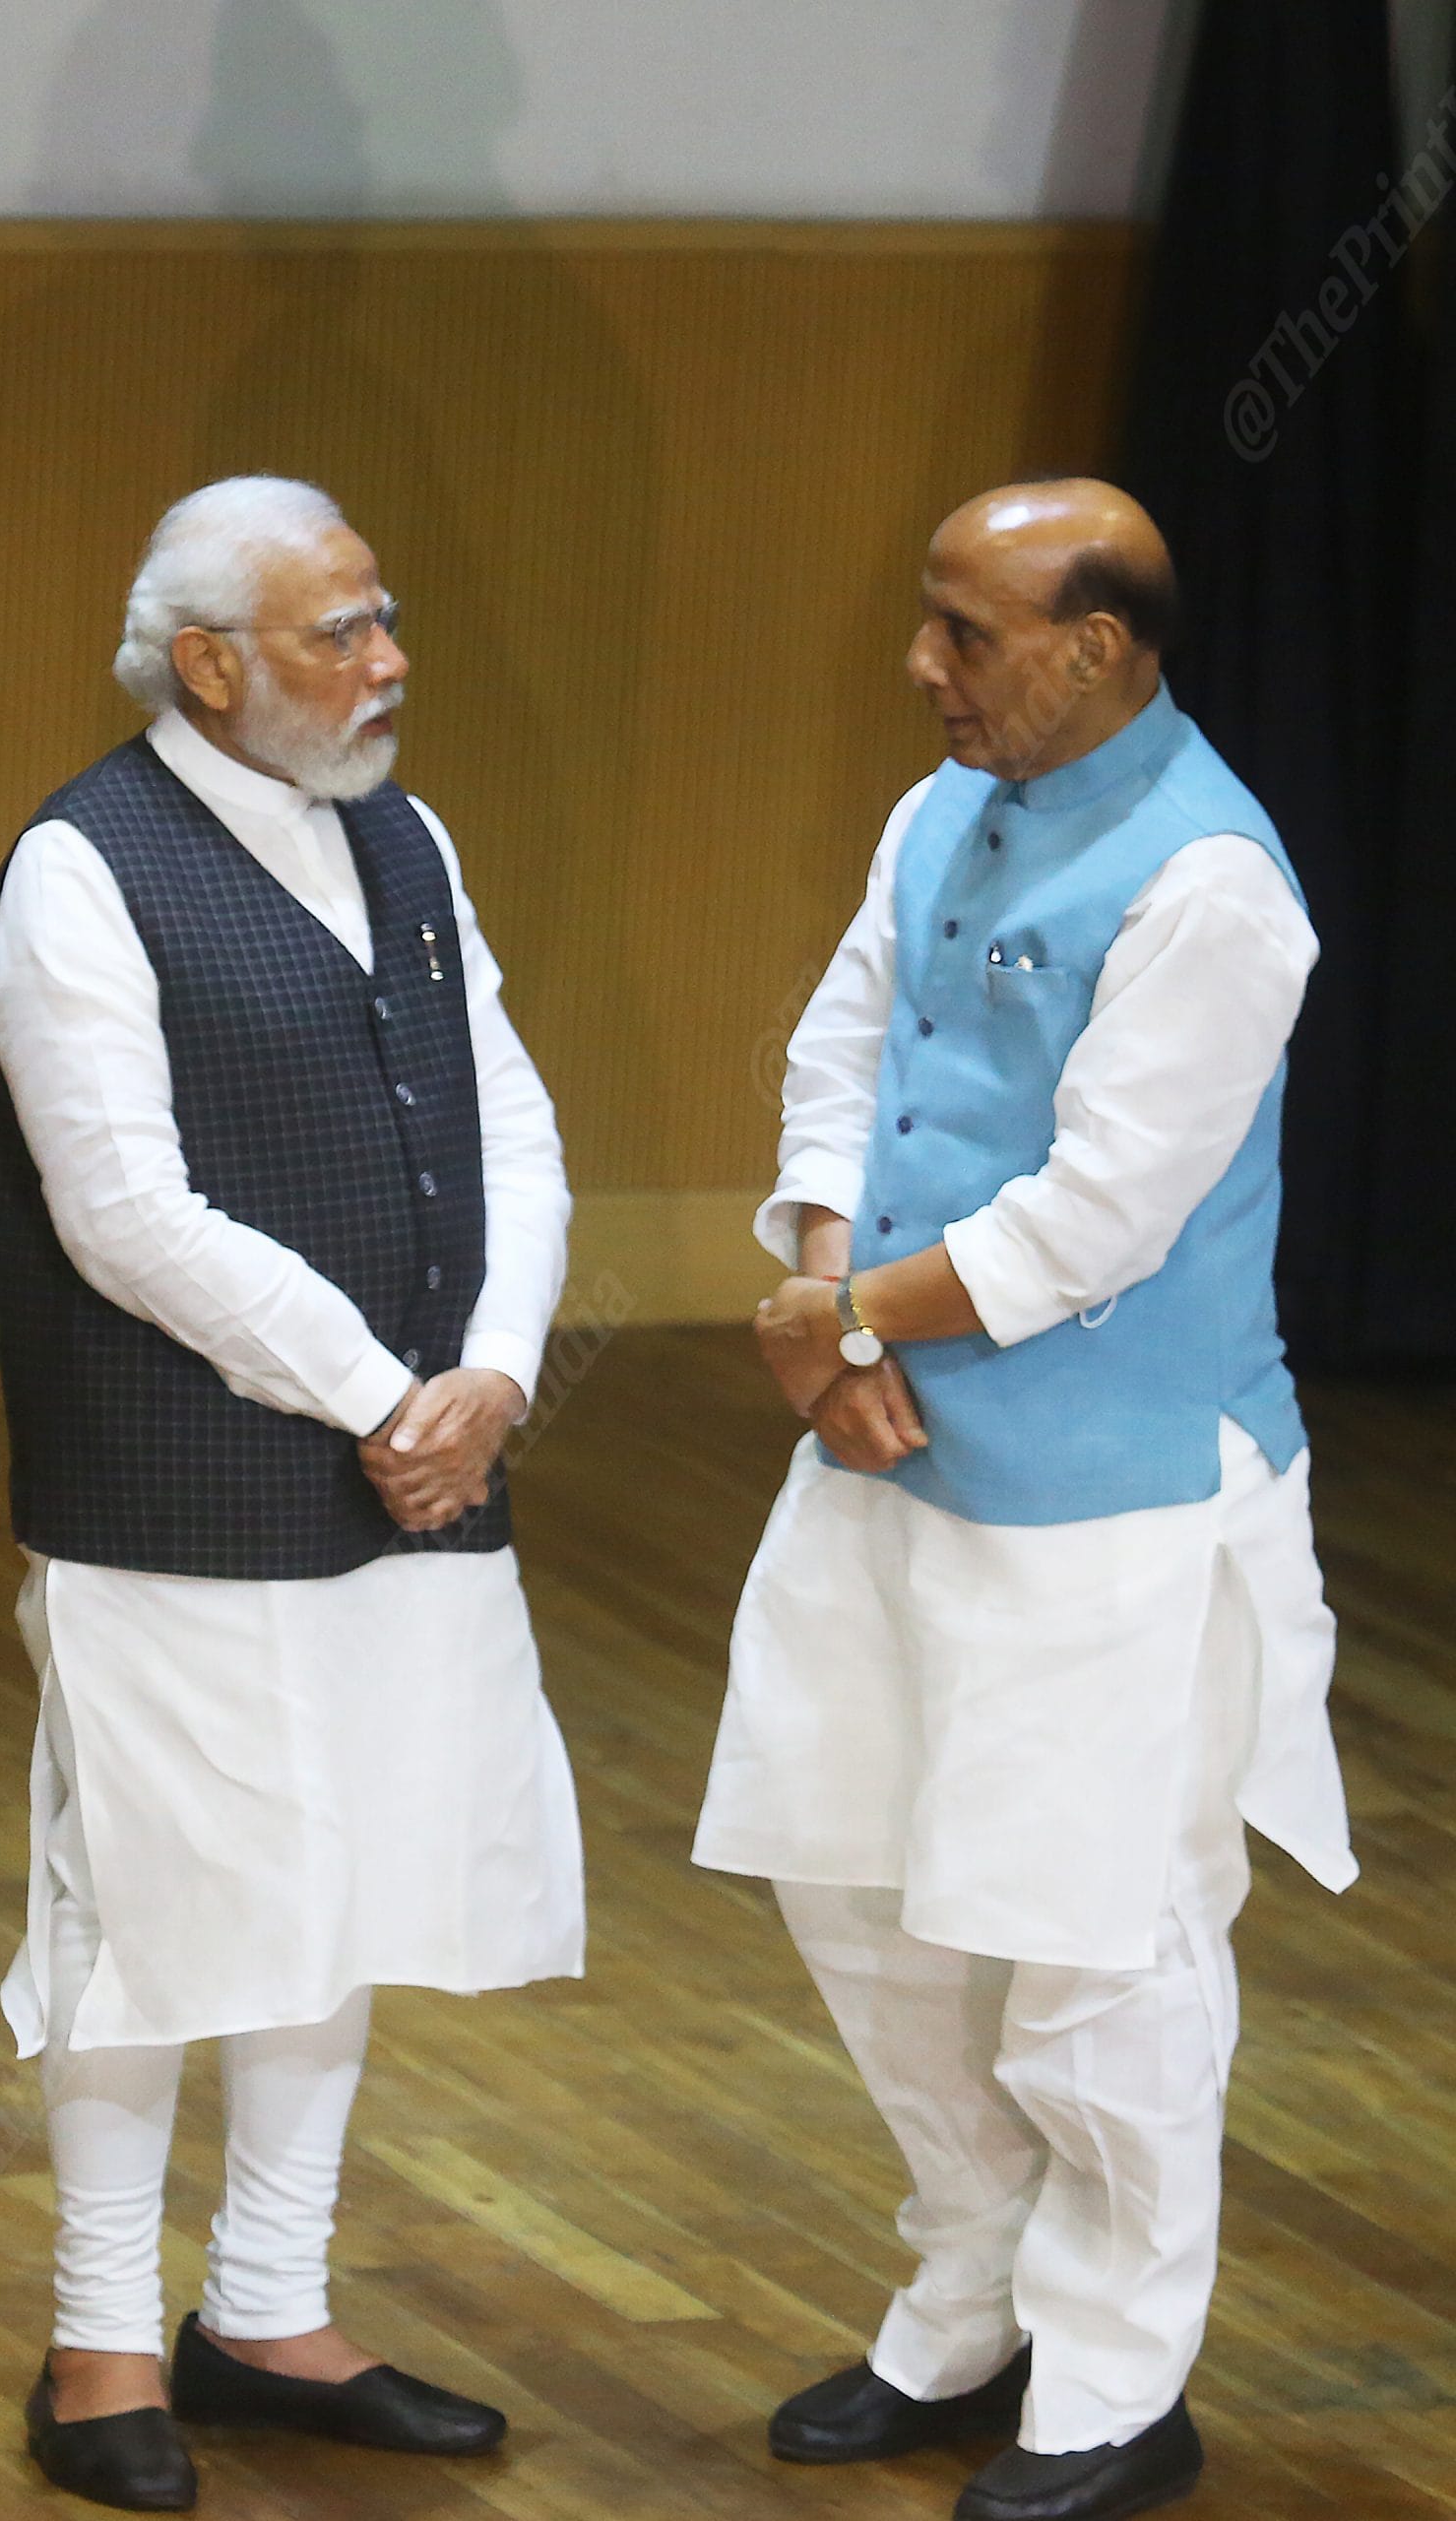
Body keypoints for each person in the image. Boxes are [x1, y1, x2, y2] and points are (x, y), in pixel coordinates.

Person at [693, 480, 1356, 2521]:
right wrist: (832, 1314)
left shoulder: (1214, 886)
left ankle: (1119, 2382)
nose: (923, 664)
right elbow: (846, 1051)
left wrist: (835, 1322)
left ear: (1097, 647)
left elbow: (1097, 1216)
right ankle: (974, 2283)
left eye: (964, 632)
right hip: (887, 1439)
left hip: (1111, 1497)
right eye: (927, 618)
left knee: (1096, 1942)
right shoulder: (936, 809)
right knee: (857, 1883)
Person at [0, 475, 584, 2512]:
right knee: (156, 1907)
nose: (389, 659)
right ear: (209, 664)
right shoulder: (81, 866)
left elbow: (512, 1113)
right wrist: (387, 1396)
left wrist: (497, 1370)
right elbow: (121, 1208)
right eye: (342, 630)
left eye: (383, 615)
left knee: (353, 1876)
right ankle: (97, 2343)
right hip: (181, 1482)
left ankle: (266, 2309)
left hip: (419, 1464)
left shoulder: (407, 836)